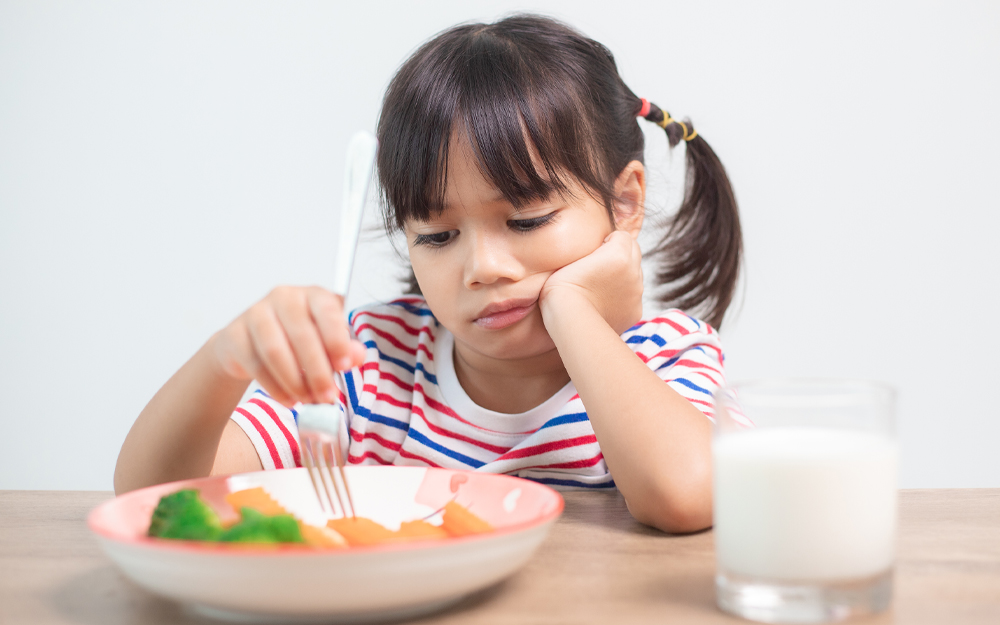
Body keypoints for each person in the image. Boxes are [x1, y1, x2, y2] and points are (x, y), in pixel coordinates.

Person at [114, 14, 743, 534]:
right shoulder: (372, 366)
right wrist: (228, 355)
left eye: (526, 220)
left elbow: (685, 496)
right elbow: (163, 500)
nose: (484, 268)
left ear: (625, 203)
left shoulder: (667, 356)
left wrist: (573, 309)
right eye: (438, 236)